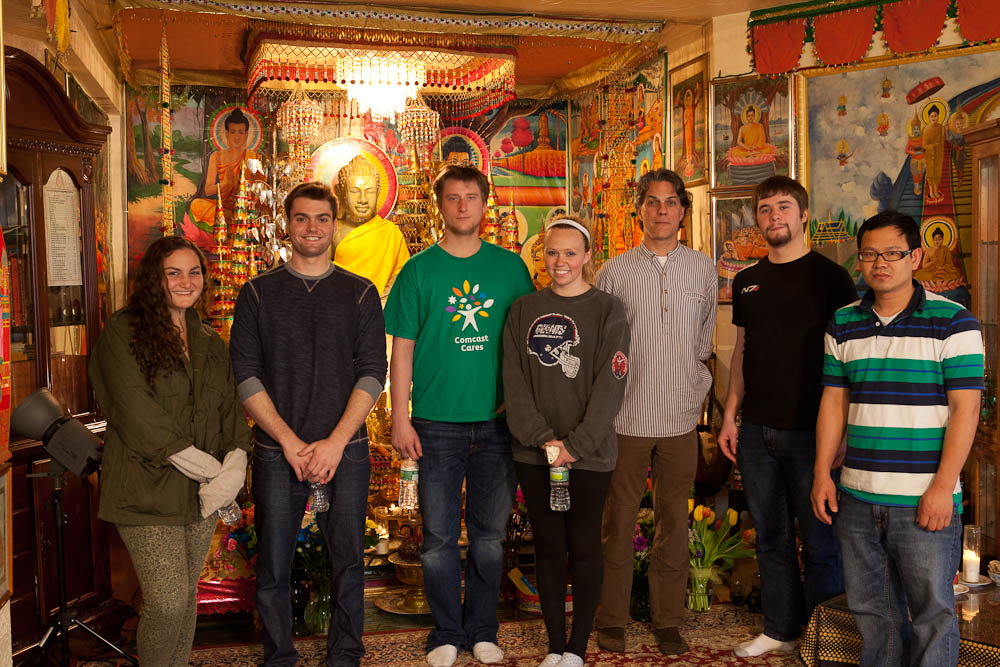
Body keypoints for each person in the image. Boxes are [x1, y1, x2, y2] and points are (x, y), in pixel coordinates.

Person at [812, 210, 983, 666]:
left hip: (924, 498)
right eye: (869, 254)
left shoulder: (954, 322)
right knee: (872, 613)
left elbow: (966, 411)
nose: (880, 263)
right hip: (857, 497)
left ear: (916, 257)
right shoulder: (843, 322)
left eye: (892, 253)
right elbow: (833, 402)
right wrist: (822, 473)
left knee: (933, 616)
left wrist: (943, 488)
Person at [229, 182, 387, 666]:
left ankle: (345, 654)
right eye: (302, 218)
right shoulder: (257, 293)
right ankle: (280, 656)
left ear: (334, 225)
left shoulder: (360, 294)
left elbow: (372, 373)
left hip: (348, 450)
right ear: (287, 224)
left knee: (349, 562)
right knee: (275, 564)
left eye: (322, 219)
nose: (312, 228)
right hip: (279, 452)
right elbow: (246, 376)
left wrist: (336, 443)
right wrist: (292, 443)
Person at [385, 164, 534, 667]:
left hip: (497, 423)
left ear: (484, 203)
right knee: (438, 539)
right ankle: (446, 632)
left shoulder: (511, 269)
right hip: (433, 423)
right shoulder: (418, 271)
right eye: (453, 198)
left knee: (490, 538)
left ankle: (483, 630)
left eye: (472, 196)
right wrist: (399, 416)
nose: (463, 206)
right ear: (441, 206)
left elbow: (528, 343)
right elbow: (401, 350)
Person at [89, 236, 251, 667]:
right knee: (167, 601)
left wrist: (236, 461)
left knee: (186, 600)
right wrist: (209, 467)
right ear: (153, 280)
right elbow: (134, 411)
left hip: (202, 497)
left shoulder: (208, 339)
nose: (186, 281)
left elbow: (230, 410)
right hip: (144, 490)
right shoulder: (124, 331)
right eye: (173, 273)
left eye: (194, 272)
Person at [717, 175, 855, 657]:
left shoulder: (831, 278)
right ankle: (780, 628)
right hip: (756, 430)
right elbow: (741, 353)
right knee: (770, 536)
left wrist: (843, 432)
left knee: (820, 542)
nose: (773, 217)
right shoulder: (747, 280)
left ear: (802, 215)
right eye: (765, 210)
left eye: (782, 208)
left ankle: (825, 639)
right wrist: (731, 415)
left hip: (813, 433)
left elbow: (850, 357)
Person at [594, 168, 716, 657]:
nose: (662, 210)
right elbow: (603, 348)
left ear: (683, 211)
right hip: (626, 420)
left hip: (681, 420)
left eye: (671, 202)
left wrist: (694, 393)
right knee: (618, 522)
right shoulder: (615, 271)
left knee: (673, 521)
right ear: (639, 209)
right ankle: (612, 619)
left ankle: (668, 620)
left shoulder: (702, 269)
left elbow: (704, 340)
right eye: (652, 201)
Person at [503, 217, 630, 667]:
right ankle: (554, 644)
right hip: (535, 455)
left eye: (570, 253)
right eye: (552, 252)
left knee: (584, 545)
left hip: (589, 455)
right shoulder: (522, 310)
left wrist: (574, 445)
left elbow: (611, 384)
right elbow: (513, 384)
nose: (561, 262)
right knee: (549, 546)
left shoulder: (608, 310)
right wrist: (544, 441)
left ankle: (577, 648)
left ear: (588, 256)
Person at [330, 154, 410, 298]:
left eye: (370, 192)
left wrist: (382, 299)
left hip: (379, 307)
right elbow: (318, 272)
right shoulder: (332, 230)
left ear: (378, 192)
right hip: (339, 305)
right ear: (341, 192)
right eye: (354, 191)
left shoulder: (390, 232)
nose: (363, 200)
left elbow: (402, 274)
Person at [189, 108, 260, 231]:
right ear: (226, 134)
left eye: (240, 132)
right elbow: (208, 190)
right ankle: (232, 219)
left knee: (255, 212)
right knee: (196, 205)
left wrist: (243, 187)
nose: (237, 137)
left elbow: (259, 189)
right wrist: (225, 184)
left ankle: (232, 219)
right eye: (233, 132)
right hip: (223, 205)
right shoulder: (216, 157)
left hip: (245, 206)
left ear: (247, 134)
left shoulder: (254, 157)